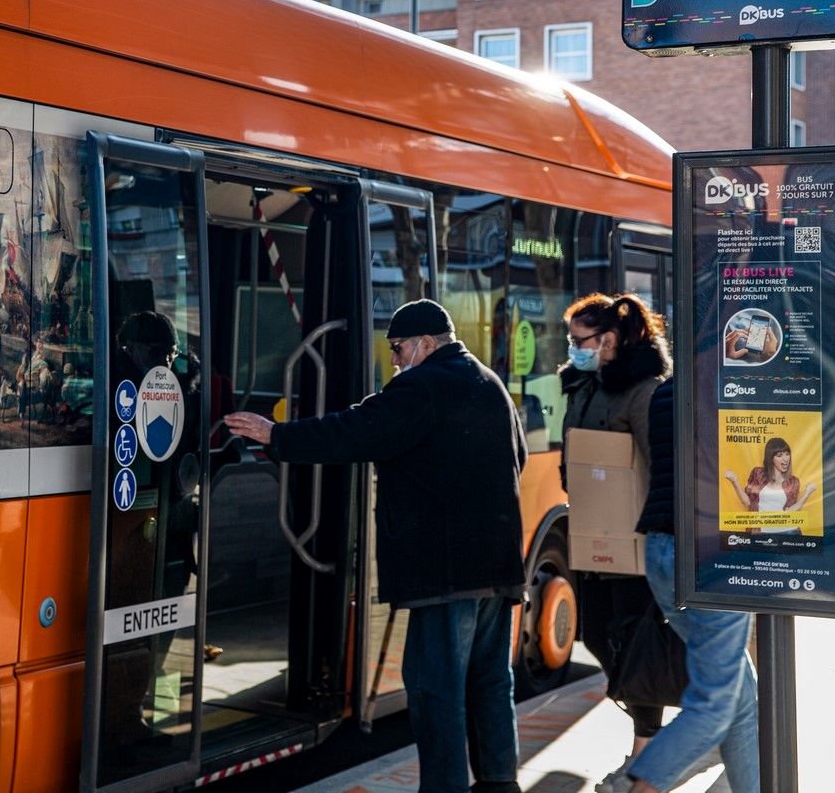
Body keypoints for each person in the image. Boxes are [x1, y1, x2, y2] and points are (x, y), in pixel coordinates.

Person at [224, 299, 526, 793]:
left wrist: (278, 435)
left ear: (427, 343)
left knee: (436, 689)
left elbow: (355, 431)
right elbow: (519, 459)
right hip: (498, 566)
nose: (396, 359)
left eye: (399, 347)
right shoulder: (491, 384)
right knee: (490, 681)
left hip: (444, 572)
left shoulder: (421, 387)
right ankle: (499, 782)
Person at [604, 377, 759, 793]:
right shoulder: (735, 386)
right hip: (713, 553)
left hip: (663, 550)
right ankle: (638, 784)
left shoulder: (668, 390)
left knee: (742, 698)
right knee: (715, 704)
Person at [559, 292, 671, 778]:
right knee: (596, 637)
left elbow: (658, 463)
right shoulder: (583, 386)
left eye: (579, 340)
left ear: (608, 339)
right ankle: (652, 739)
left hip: (632, 543)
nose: (572, 348)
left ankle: (645, 750)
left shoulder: (643, 390)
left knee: (634, 644)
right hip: (590, 534)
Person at [724, 437, 817, 531]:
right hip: (762, 532)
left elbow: (791, 511)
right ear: (771, 458)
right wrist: (735, 481)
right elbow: (747, 502)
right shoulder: (758, 474)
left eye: (787, 454)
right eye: (779, 455)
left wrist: (807, 493)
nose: (785, 459)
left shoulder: (793, 481)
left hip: (788, 531)